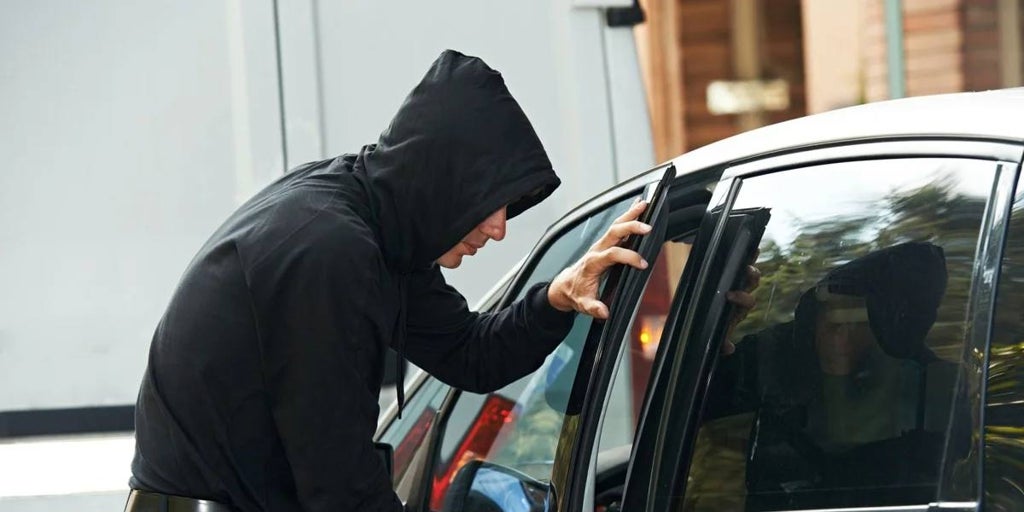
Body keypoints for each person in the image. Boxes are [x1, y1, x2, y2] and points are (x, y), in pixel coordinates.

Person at [125, 50, 671, 512]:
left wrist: (558, 296)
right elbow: (339, 481)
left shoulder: (381, 228)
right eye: (490, 200)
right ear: (443, 182)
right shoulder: (330, 251)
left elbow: (471, 353)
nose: (499, 228)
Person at [705, 241, 955, 510]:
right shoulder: (777, 360)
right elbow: (689, 401)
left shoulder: (938, 396)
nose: (841, 335)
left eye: (857, 320)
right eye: (833, 317)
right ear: (813, 316)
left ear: (894, 332)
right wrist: (713, 337)